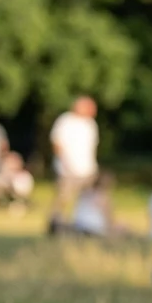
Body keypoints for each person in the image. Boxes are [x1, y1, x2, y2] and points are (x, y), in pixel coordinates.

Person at [48, 96, 100, 235]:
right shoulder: (65, 121)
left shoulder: (90, 124)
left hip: (87, 169)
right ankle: (55, 225)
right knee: (63, 199)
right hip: (67, 169)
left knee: (87, 200)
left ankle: (84, 224)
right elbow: (57, 143)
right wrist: (65, 163)